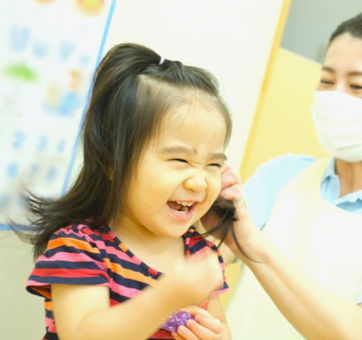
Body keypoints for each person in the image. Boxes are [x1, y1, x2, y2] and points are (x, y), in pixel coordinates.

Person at [207, 10, 362, 340]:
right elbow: (206, 258)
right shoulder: (283, 175)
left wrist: (255, 247)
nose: (335, 97)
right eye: (327, 80)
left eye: (357, 85)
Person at [15, 43, 235, 340]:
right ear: (113, 163)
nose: (199, 181)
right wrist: (164, 299)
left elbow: (222, 329)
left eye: (212, 163)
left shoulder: (199, 254)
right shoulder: (81, 247)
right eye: (180, 160)